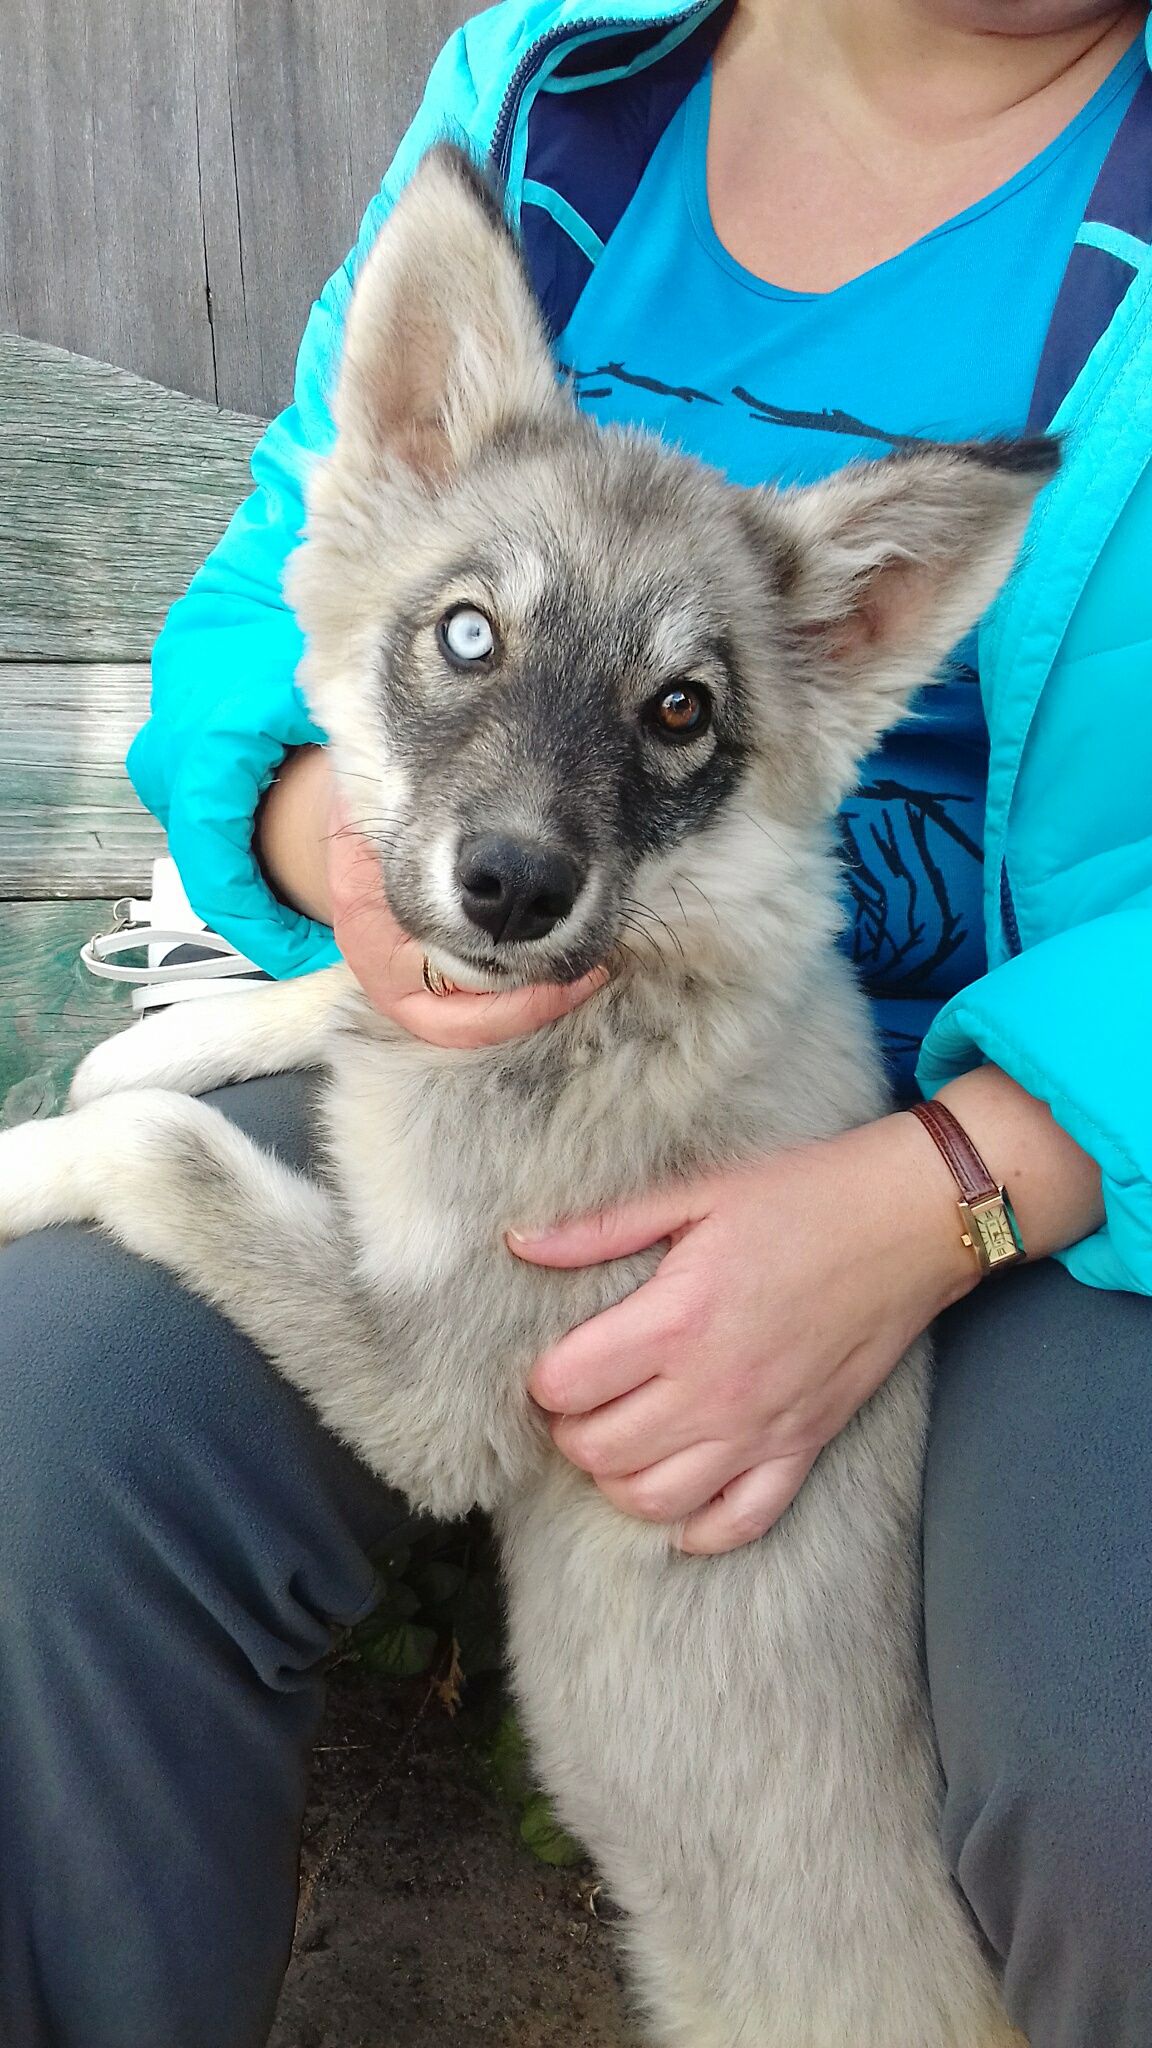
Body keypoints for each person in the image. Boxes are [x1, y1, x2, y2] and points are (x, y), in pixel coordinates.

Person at [3, 1, 1151, 2042]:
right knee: (48, 1431)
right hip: (534, 1040)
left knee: (1121, 1760)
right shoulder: (563, 86)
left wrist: (957, 1186)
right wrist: (333, 849)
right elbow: (287, 579)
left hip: (1078, 1159)